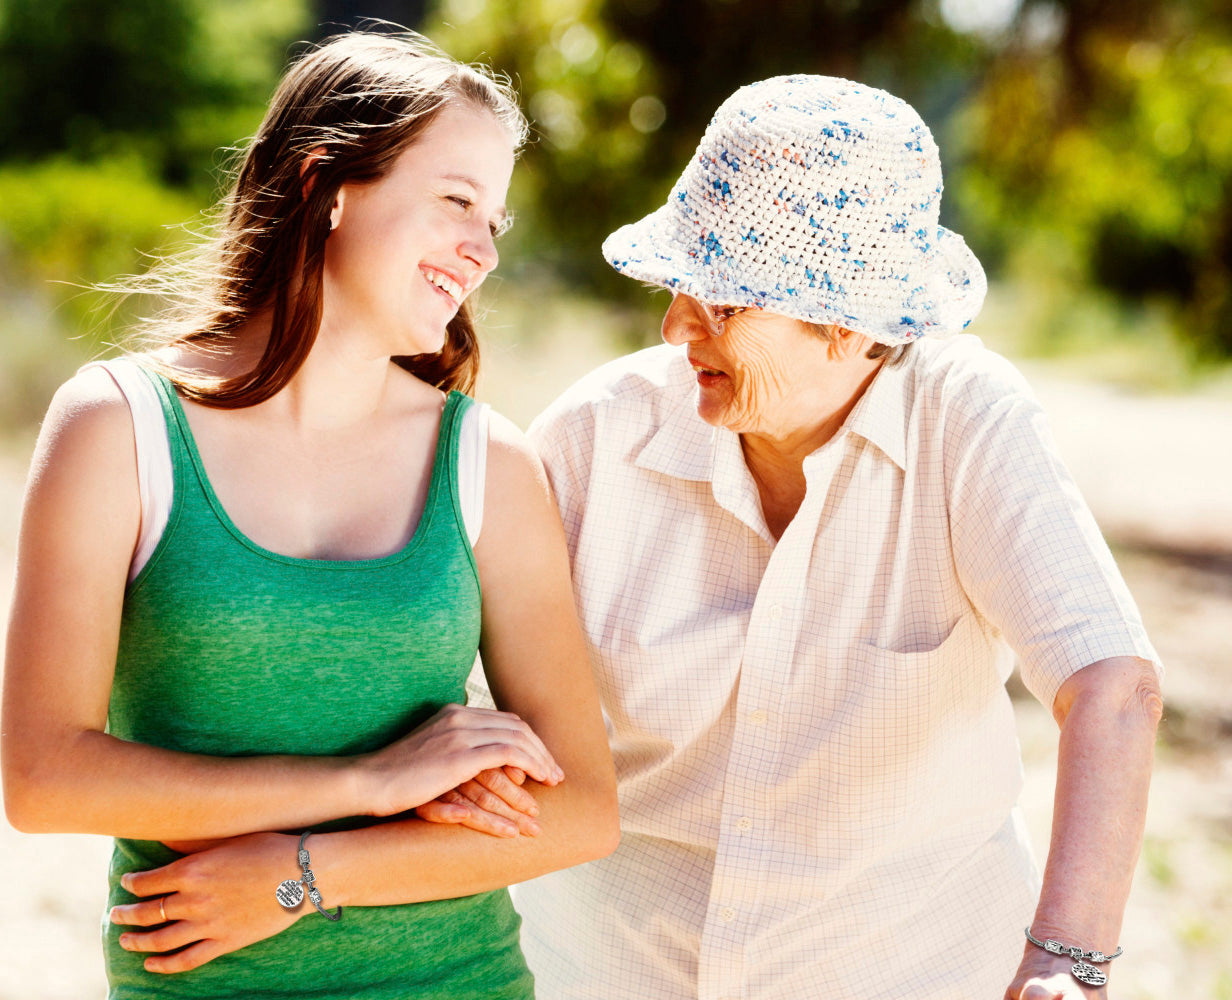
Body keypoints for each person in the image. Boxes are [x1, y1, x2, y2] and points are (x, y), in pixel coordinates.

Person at [508, 76, 1162, 999]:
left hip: (912, 971)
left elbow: (1111, 685)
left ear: (854, 326)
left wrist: (1067, 959)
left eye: (725, 301)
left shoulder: (964, 420)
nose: (674, 327)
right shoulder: (593, 437)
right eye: (679, 287)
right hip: (607, 969)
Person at [0, 30, 618, 998]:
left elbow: (582, 809)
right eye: (457, 201)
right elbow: (44, 777)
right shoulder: (117, 430)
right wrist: (369, 785)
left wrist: (302, 875)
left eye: (494, 221)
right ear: (325, 183)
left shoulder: (487, 460)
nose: (482, 250)